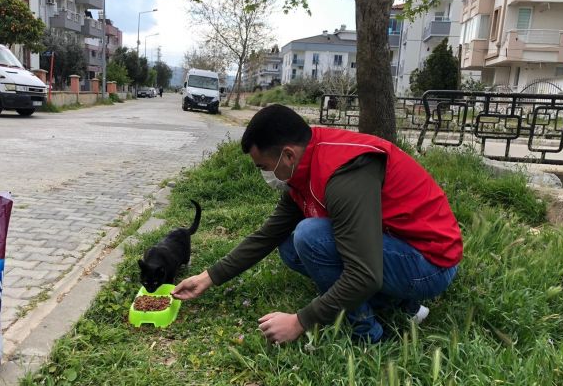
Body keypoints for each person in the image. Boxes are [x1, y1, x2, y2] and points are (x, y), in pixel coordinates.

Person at [173, 104, 462, 344]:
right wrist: (208, 277)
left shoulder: (343, 175)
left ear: (287, 154)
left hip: (431, 265)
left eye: (263, 167)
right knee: (289, 244)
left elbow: (365, 274)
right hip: (396, 247)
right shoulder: (304, 163)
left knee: (310, 236)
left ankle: (370, 335)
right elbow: (268, 235)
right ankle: (399, 303)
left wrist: (300, 321)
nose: (264, 175)